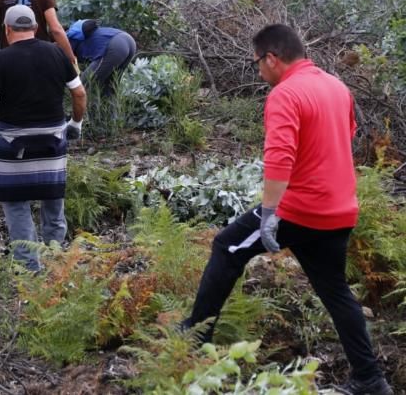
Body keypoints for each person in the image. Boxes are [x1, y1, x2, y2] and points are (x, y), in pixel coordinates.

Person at [182, 24, 392, 395]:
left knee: (227, 247)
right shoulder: (335, 87)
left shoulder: (285, 94)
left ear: (272, 58)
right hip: (340, 210)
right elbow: (345, 136)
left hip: (299, 210)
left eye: (258, 64)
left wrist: (268, 214)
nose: (258, 71)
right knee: (336, 291)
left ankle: (194, 337)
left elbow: (280, 158)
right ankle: (370, 379)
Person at [0, 4, 87, 271]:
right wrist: (75, 123)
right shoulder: (57, 53)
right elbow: (79, 94)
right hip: (52, 140)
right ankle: (56, 264)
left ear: (7, 30)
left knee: (17, 204)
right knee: (53, 201)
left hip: (13, 142)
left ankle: (28, 268)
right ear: (35, 28)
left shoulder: (1, 60)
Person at [65, 19, 137, 95]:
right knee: (110, 86)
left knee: (82, 85)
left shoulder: (67, 39)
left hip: (115, 45)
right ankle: (110, 106)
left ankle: (86, 106)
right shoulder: (76, 34)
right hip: (127, 39)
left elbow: (69, 63)